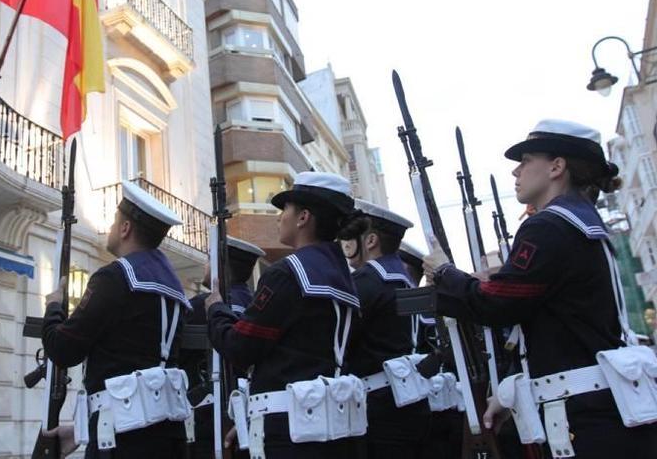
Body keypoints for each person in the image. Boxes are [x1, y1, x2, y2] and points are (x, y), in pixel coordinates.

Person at [423, 120, 657, 458]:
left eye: (526, 160)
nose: (516, 171)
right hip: (600, 408)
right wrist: (512, 395)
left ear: (556, 167)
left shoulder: (549, 226)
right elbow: (557, 330)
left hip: (584, 418)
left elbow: (498, 305)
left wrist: (445, 274)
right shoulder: (579, 222)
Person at [205, 171, 364, 458]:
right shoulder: (346, 277)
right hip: (334, 428)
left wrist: (216, 309)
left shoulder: (289, 273)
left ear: (303, 217)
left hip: (289, 433)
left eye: (285, 210)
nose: (280, 217)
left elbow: (241, 347)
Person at [41, 181, 192, 459]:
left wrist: (52, 308)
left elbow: (63, 348)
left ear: (125, 229)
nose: (110, 228)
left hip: (120, 440)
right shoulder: (175, 290)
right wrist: (80, 429)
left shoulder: (115, 277)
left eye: (114, 222)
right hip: (168, 437)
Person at [341, 200, 431, 458]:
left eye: (351, 236)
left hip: (378, 406)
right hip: (411, 401)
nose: (346, 244)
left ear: (370, 241)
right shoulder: (405, 282)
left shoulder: (367, 280)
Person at [182, 236, 266, 458]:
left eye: (209, 261)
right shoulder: (256, 306)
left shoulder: (201, 305)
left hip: (206, 413)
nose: (205, 266)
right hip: (250, 412)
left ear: (220, 268)